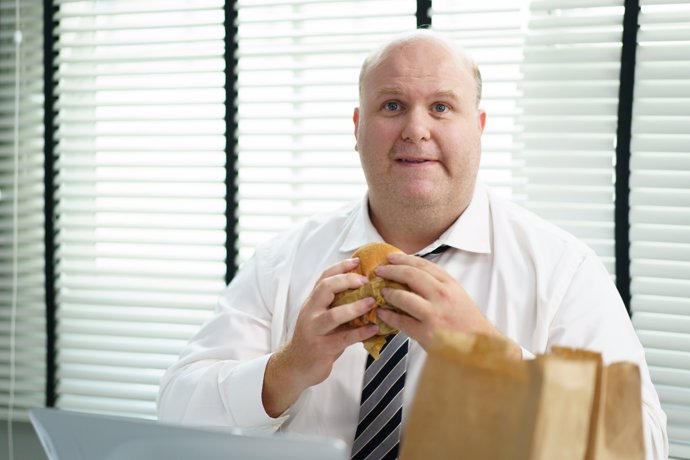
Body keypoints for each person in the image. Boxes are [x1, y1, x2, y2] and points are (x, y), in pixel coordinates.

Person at [157, 29, 668, 459]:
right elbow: (176, 407)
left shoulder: (562, 269)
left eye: (442, 107)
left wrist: (492, 357)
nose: (416, 129)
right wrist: (286, 369)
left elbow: (640, 444)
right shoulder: (282, 262)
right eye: (392, 105)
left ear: (479, 129)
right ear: (358, 129)